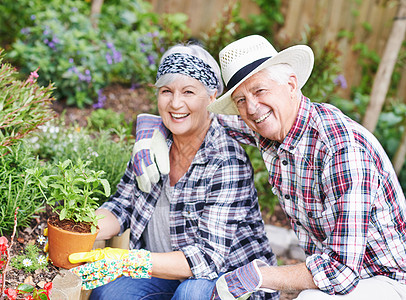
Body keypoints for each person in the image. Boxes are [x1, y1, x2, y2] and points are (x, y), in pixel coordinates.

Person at [132, 35, 406, 299]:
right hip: (342, 278)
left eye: (260, 90)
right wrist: (151, 127)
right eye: (240, 100)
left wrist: (257, 276)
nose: (252, 108)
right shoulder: (269, 127)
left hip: (387, 280)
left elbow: (341, 272)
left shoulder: (340, 150)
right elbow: (199, 117)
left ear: (290, 85)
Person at [69, 42, 278, 300]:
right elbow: (122, 206)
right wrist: (77, 229)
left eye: (189, 91)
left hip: (228, 283)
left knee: (192, 294)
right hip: (168, 276)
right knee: (110, 294)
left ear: (212, 97)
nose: (175, 103)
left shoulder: (226, 160)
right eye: (166, 91)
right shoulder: (153, 144)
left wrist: (128, 259)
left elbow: (207, 260)